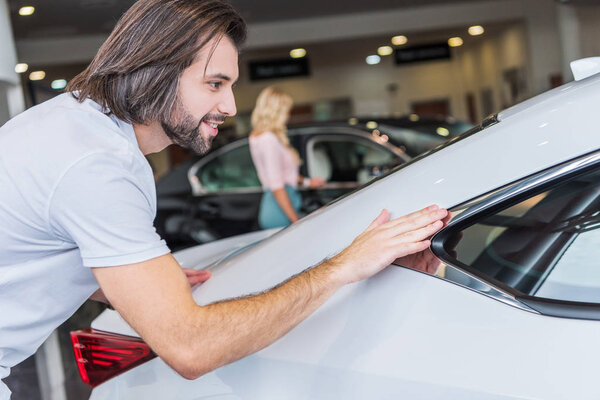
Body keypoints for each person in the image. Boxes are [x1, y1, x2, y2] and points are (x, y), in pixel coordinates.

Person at [0, 0, 448, 398]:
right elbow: (191, 349)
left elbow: (30, 247)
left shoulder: (68, 121)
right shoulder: (97, 165)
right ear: (154, 71)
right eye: (215, 83)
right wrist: (344, 267)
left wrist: (136, 281)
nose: (231, 106)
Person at [249, 87, 324, 229]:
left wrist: (307, 182)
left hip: (280, 203)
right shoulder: (268, 139)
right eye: (286, 111)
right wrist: (296, 220)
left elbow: (284, 173)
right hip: (280, 208)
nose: (288, 115)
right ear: (276, 112)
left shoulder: (257, 136)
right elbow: (277, 186)